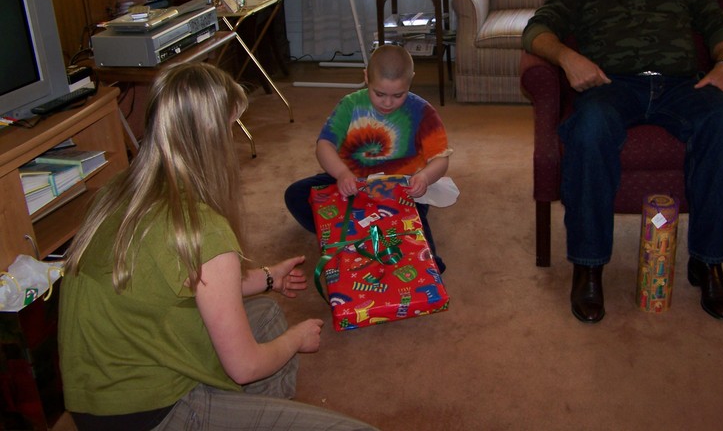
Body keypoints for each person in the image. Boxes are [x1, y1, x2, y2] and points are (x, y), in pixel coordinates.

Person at [58, 62, 377, 430]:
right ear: (210, 138)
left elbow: (195, 279)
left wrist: (269, 277)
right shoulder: (203, 228)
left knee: (266, 315)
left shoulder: (117, 192)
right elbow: (246, 367)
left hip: (98, 398)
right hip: (150, 413)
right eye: (229, 127)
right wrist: (295, 339)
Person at [522, 0, 723, 324]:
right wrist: (568, 57)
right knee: (588, 127)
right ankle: (588, 266)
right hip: (611, 85)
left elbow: (719, 25)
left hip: (683, 84)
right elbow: (536, 31)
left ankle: (708, 261)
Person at [285, 44, 452, 272]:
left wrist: (424, 177)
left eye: (398, 95)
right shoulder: (349, 105)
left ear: (410, 80)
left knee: (423, 250)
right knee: (295, 195)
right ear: (366, 77)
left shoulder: (424, 112)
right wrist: (342, 173)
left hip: (401, 189)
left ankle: (384, 237)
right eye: (379, 94)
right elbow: (324, 145)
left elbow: (441, 158)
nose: (388, 103)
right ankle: (358, 232)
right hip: (351, 181)